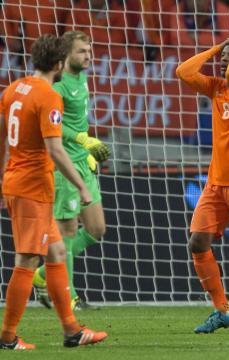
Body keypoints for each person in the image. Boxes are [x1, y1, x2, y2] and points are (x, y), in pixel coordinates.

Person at [0, 34, 107, 350]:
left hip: (21, 182)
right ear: (59, 64)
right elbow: (56, 150)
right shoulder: (49, 96)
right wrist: (81, 184)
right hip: (32, 186)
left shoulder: (14, 89)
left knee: (58, 253)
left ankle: (73, 331)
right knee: (27, 259)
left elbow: (3, 134)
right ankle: (7, 337)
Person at [175, 37, 229, 333]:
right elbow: (184, 71)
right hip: (216, 182)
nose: (224, 61)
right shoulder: (217, 88)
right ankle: (222, 310)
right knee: (197, 241)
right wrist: (218, 48)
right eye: (224, 56)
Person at [32, 31, 110, 311]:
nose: (87, 56)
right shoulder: (58, 87)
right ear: (64, 57)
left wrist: (86, 145)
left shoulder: (82, 77)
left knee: (96, 228)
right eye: (81, 51)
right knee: (67, 231)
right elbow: (51, 128)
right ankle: (69, 296)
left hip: (83, 161)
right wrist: (81, 138)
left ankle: (43, 275)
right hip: (63, 163)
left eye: (89, 50)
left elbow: (76, 121)